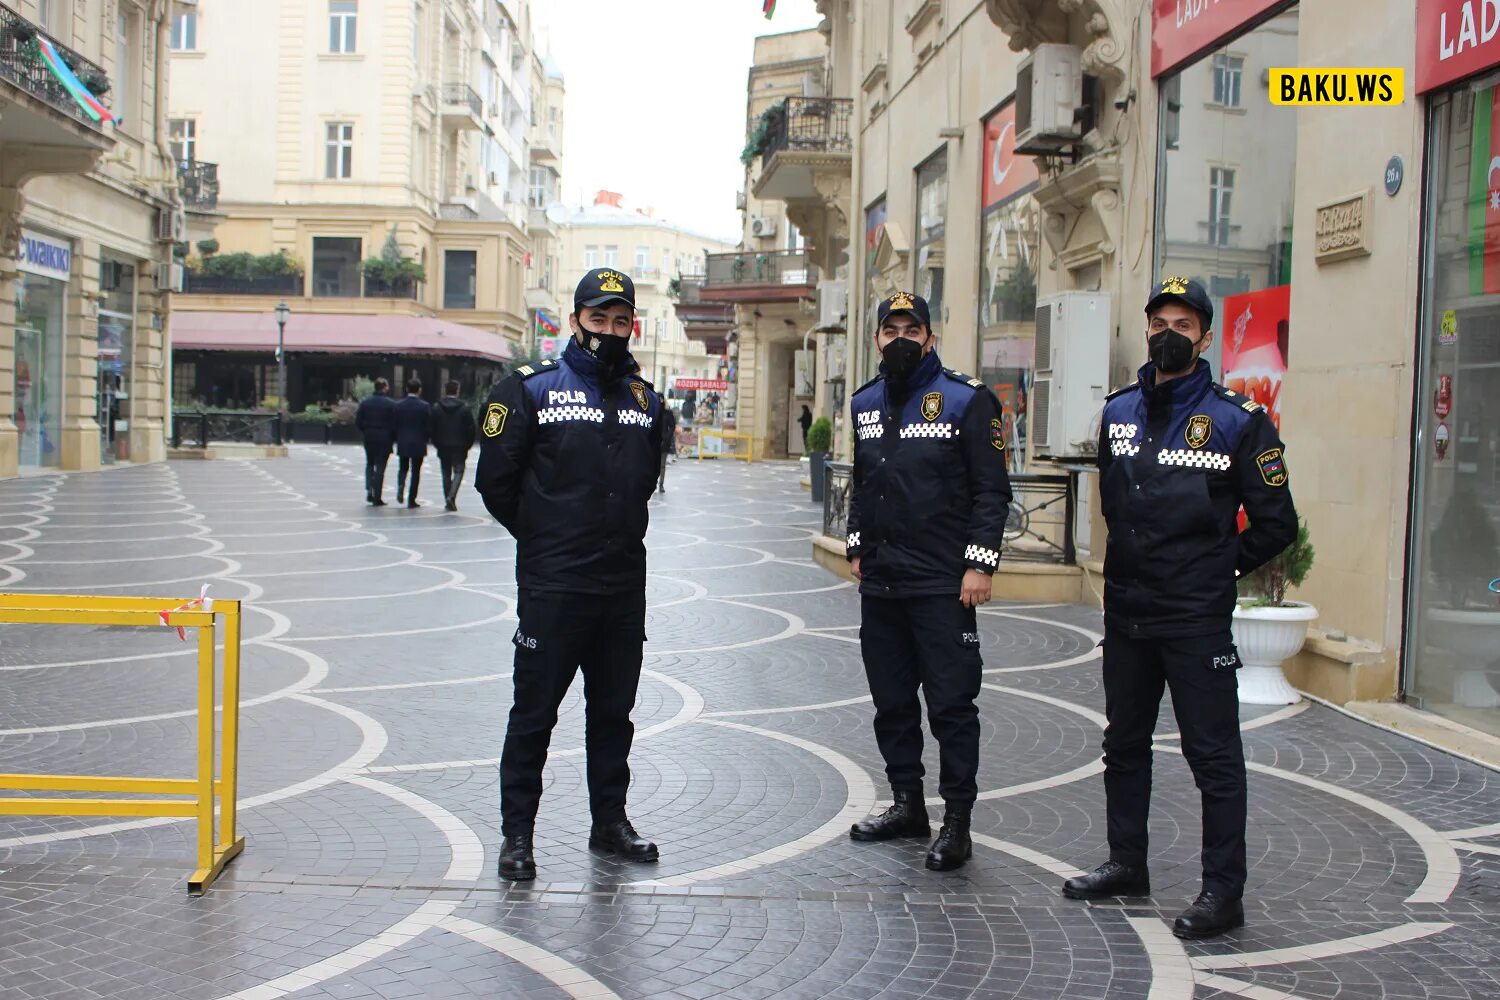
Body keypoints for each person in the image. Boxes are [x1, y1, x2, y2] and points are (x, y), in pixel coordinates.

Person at [1062, 277, 1298, 939]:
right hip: (1129, 613)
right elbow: (1114, 502)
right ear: (1146, 329)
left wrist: (1219, 564)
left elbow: (1278, 523)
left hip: (1194, 618)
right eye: (1159, 320)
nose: (1169, 332)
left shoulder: (1238, 420)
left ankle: (1224, 893)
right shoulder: (1118, 413)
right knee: (1124, 745)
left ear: (1204, 335)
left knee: (1213, 758)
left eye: (1183, 324)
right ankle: (1125, 862)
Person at [475, 267, 664, 881]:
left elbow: (643, 482)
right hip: (555, 586)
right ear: (576, 318)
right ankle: (517, 837)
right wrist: (545, 539)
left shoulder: (645, 399)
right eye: (597, 319)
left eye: (620, 320)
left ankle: (610, 823)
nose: (609, 330)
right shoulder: (528, 390)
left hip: (621, 588)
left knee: (614, 715)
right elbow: (495, 483)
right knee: (534, 714)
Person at [844, 291, 1013, 872]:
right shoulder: (864, 401)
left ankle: (957, 822)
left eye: (911, 330)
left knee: (950, 706)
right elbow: (864, 480)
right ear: (876, 340)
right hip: (884, 584)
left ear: (930, 338)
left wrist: (979, 563)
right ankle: (907, 804)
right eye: (889, 331)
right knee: (892, 703)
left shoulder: (967, 401)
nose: (900, 340)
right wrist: (856, 540)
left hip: (943, 585)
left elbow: (992, 491)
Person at [430, 380, 477, 512]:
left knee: (445, 473)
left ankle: (448, 498)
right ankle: (451, 496)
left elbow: (432, 428)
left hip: (443, 445)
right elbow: (471, 429)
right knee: (459, 471)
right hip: (460, 446)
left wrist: (436, 442)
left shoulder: (437, 407)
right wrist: (468, 444)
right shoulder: (464, 408)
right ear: (457, 390)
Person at [354, 377, 396, 506]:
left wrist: (365, 430)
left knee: (370, 463)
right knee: (380, 467)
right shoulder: (391, 404)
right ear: (385, 387)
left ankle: (369, 489)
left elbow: (358, 421)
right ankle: (377, 495)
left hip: (369, 436)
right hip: (384, 438)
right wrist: (393, 436)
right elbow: (394, 423)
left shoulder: (365, 403)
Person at [393, 378, 431, 509]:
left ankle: (400, 485)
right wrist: (426, 438)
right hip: (418, 442)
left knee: (403, 468)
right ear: (419, 390)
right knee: (416, 471)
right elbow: (428, 425)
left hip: (403, 440)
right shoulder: (424, 406)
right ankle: (411, 499)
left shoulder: (398, 405)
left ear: (406, 389)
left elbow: (395, 424)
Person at [657, 402, 677, 494]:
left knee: (662, 465)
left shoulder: (668, 413)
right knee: (652, 464)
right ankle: (653, 482)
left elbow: (672, 426)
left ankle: (661, 484)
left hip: (664, 441)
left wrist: (667, 437)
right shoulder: (652, 411)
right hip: (653, 441)